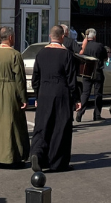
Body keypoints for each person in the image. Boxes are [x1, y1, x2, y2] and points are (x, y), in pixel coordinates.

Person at [30, 26, 80, 173]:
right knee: (60, 127)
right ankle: (58, 162)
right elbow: (72, 79)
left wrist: (37, 95)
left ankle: (37, 154)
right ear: (62, 37)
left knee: (42, 125)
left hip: (44, 92)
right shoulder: (66, 55)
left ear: (50, 36)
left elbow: (35, 78)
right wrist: (75, 98)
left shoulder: (41, 53)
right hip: (61, 92)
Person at [0, 27, 30, 168]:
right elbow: (20, 79)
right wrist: (23, 98)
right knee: (13, 124)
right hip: (10, 89)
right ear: (10, 38)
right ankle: (13, 157)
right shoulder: (15, 55)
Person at [76, 29, 107, 121]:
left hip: (86, 72)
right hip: (97, 71)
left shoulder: (83, 46)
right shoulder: (99, 46)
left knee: (85, 93)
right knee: (98, 94)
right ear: (94, 37)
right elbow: (105, 57)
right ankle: (97, 115)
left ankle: (80, 113)